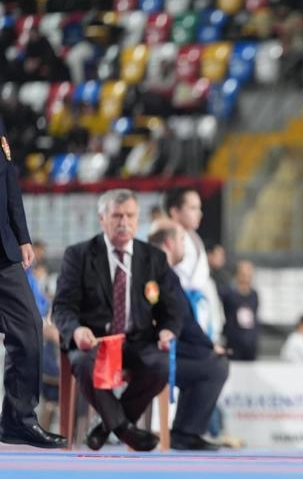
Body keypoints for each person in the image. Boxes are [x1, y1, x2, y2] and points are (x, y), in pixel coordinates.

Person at [52, 189, 185, 452]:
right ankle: (125, 430)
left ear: (138, 220)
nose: (124, 222)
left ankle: (107, 426)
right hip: (95, 342)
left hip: (138, 341)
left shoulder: (154, 259)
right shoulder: (79, 255)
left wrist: (168, 330)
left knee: (160, 365)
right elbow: (62, 307)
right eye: (117, 216)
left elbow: (173, 306)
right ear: (102, 219)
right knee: (81, 361)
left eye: (130, 216)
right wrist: (76, 330)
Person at [0, 125, 67, 448]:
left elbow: (8, 179)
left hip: (3, 250)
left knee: (29, 328)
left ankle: (18, 420)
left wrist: (22, 235)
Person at [148, 220, 229, 451]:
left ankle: (184, 432)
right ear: (170, 243)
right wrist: (209, 347)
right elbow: (178, 319)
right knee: (215, 366)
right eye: (182, 240)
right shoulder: (157, 272)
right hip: (157, 349)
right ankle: (184, 433)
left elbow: (181, 318)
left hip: (169, 344)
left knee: (211, 361)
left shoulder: (163, 271)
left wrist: (207, 346)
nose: (185, 246)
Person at [165, 188, 223, 343]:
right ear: (175, 212)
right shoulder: (167, 240)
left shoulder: (194, 238)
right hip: (177, 311)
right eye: (192, 208)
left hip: (196, 310)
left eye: (199, 208)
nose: (199, 213)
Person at [220, 260, 259, 361]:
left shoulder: (254, 295)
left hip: (250, 343)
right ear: (237, 274)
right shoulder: (228, 294)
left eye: (249, 273)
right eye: (244, 273)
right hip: (233, 342)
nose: (247, 276)